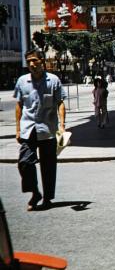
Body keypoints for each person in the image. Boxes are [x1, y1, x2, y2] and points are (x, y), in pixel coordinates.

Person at [14, 48, 66, 211]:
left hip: (48, 129)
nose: (31, 64)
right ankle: (35, 192)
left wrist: (62, 126)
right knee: (24, 162)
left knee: (48, 166)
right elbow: (19, 105)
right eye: (29, 61)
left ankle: (47, 198)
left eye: (34, 60)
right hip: (28, 128)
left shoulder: (53, 80)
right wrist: (17, 129)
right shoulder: (22, 81)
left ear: (42, 61)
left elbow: (60, 102)